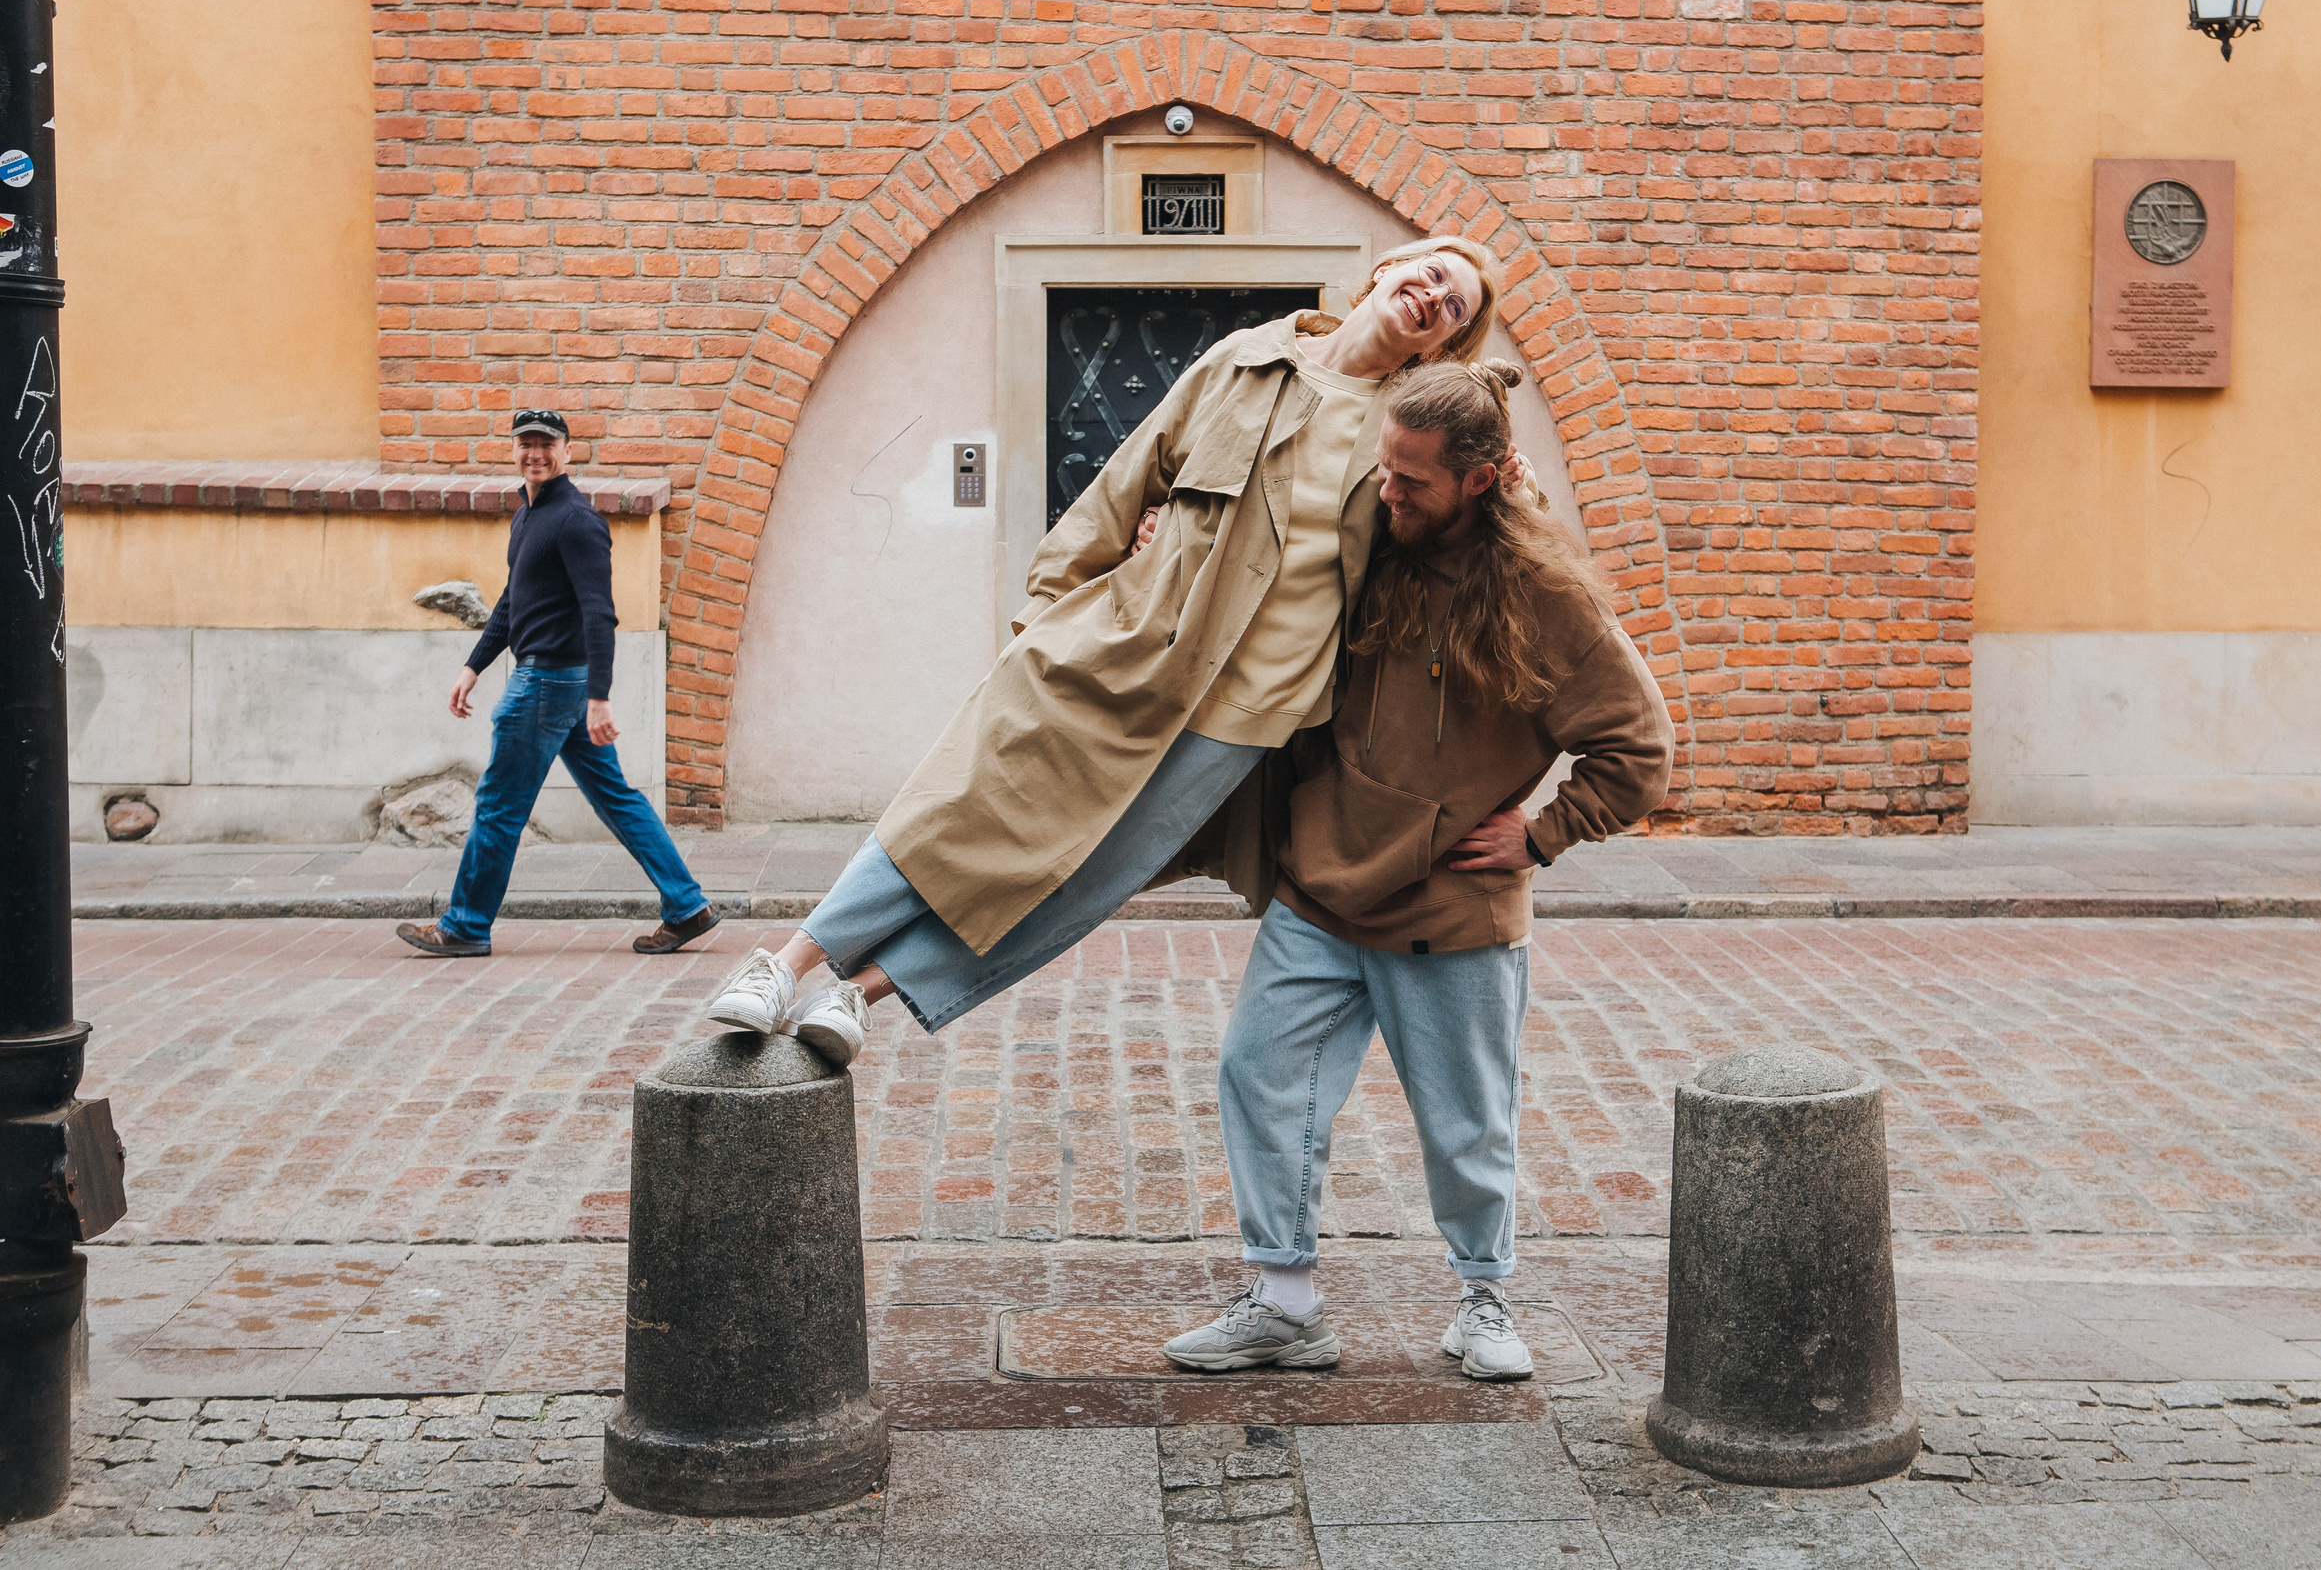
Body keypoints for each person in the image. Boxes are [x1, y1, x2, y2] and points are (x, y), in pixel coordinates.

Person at [695, 236, 1514, 1065]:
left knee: (1085, 878)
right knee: (967, 804)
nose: (1432, 295)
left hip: (1252, 714)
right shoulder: (1247, 359)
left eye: (1453, 308)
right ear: (1388, 268)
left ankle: (854, 993)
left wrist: (1509, 479)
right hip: (1134, 650)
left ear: (1443, 345)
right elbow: (1132, 478)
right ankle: (784, 963)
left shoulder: (1414, 426)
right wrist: (1048, 614)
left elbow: (1472, 523)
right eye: (1433, 273)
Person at [1161, 360, 1673, 1383]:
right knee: (1259, 1078)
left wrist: (1540, 837)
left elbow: (1639, 748)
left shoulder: (1543, 596)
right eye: (1385, 473)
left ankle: (1482, 1299)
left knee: (1464, 1123)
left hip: (1450, 907)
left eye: (1413, 483)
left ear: (1481, 481)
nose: (1388, 493)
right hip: (1320, 886)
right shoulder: (1371, 542)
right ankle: (1285, 1302)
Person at [395, 408, 720, 959]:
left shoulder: (576, 520)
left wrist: (599, 696)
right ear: (515, 450)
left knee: (498, 805)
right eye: (526, 444)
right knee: (616, 798)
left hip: (548, 684)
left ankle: (466, 926)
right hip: (554, 685)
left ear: (568, 451)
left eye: (547, 444)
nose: (535, 454)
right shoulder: (528, 514)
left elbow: (600, 614)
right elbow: (511, 603)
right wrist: (473, 666)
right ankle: (687, 907)